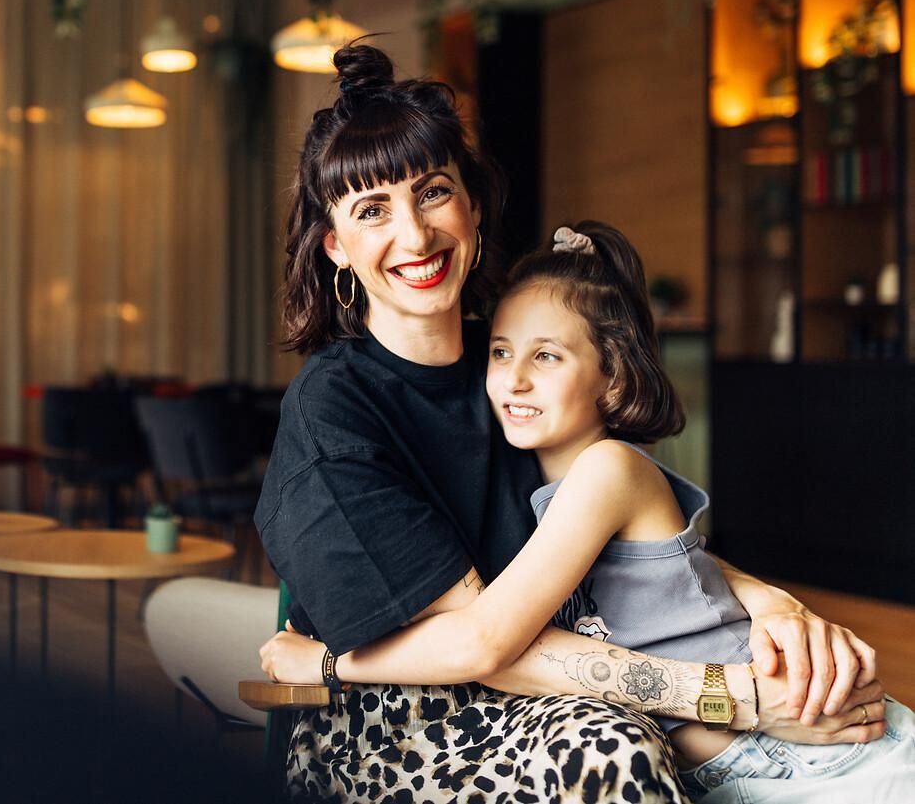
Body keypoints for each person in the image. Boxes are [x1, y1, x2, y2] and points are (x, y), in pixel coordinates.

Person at [252, 43, 886, 803]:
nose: (415, 237)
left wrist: (773, 602)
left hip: (557, 682)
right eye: (372, 210)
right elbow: (483, 645)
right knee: (614, 747)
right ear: (336, 246)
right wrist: (733, 697)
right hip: (393, 721)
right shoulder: (334, 413)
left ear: (472, 207)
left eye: (433, 192)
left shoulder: (510, 369)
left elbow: (615, 527)